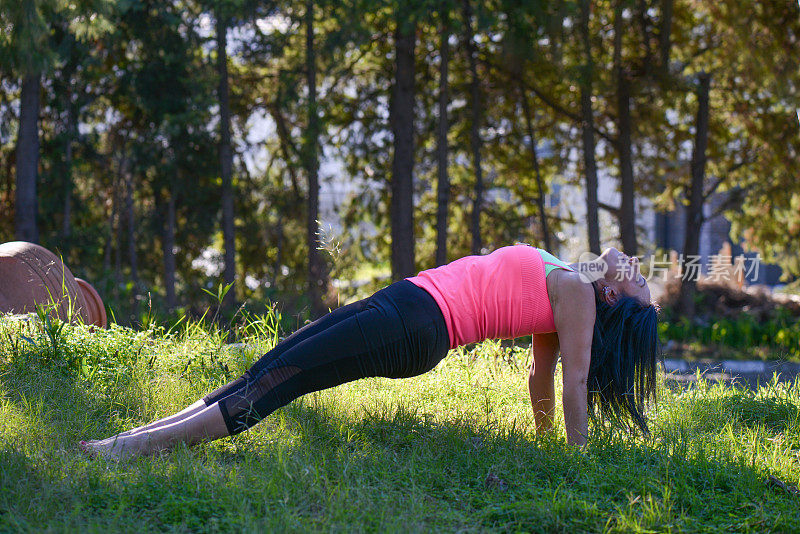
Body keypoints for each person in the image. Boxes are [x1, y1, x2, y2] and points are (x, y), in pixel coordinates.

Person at [80, 245, 659, 459]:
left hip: (419, 327)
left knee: (280, 378)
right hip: (410, 304)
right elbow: (541, 372)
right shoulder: (570, 278)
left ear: (613, 297)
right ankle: (134, 437)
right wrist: (542, 441)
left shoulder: (581, 294)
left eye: (639, 281)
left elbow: (571, 381)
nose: (637, 268)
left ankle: (124, 450)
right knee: (271, 364)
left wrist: (574, 459)